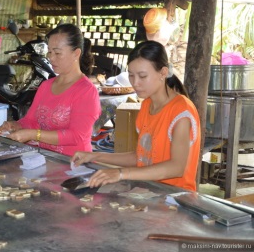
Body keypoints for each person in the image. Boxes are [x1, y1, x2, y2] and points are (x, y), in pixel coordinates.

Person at [71, 40, 201, 191]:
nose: (135, 83)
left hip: (175, 197)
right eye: (131, 75)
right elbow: (140, 157)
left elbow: (177, 167)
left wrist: (121, 173)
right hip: (148, 191)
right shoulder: (147, 105)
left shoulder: (181, 112)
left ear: (163, 73)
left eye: (142, 76)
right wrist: (94, 156)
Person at [0, 23, 101, 157]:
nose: (51, 58)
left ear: (76, 53)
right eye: (49, 51)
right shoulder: (46, 86)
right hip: (46, 158)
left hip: (73, 163)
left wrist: (34, 135)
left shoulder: (86, 91)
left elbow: (76, 136)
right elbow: (31, 121)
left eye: (57, 53)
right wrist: (15, 125)